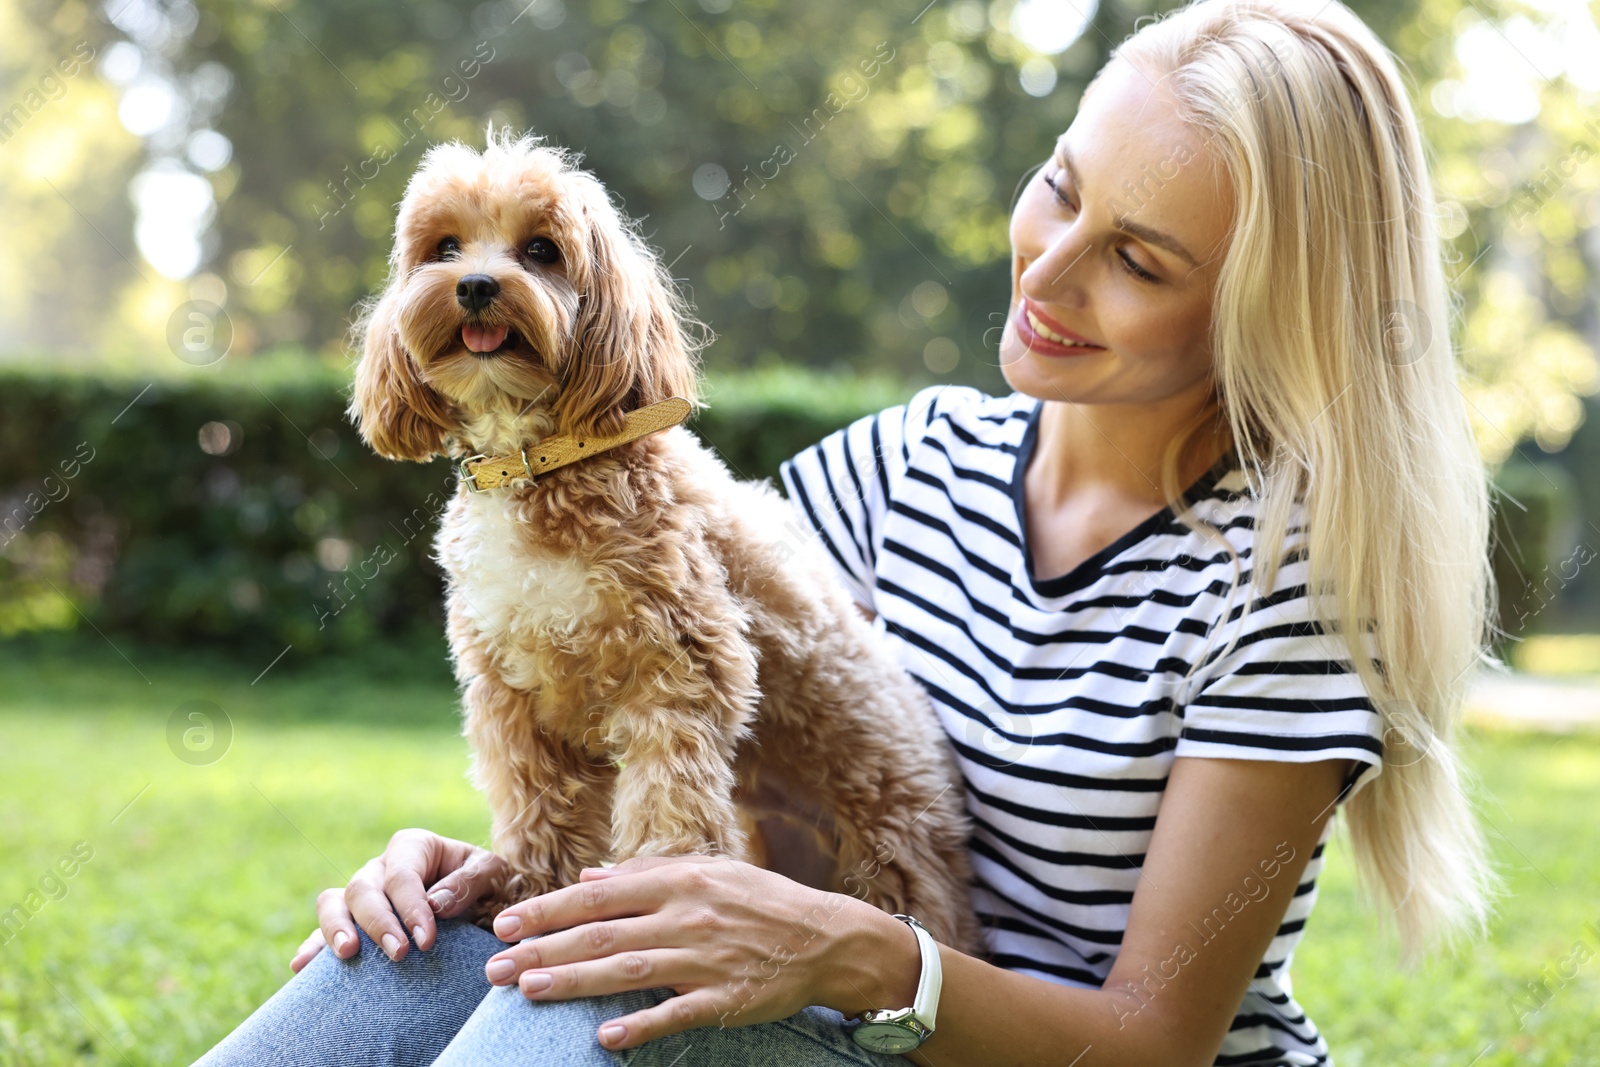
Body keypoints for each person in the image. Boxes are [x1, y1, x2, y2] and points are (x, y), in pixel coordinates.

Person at [193, 0, 1498, 1063]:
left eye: (1139, 260)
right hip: (838, 1019)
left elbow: (1156, 1041)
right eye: (1059, 190)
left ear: (1271, 316)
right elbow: (663, 704)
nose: (1046, 271)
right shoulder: (914, 458)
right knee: (406, 968)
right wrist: (493, 872)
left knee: (587, 1002)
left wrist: (859, 954)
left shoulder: (1291, 592)